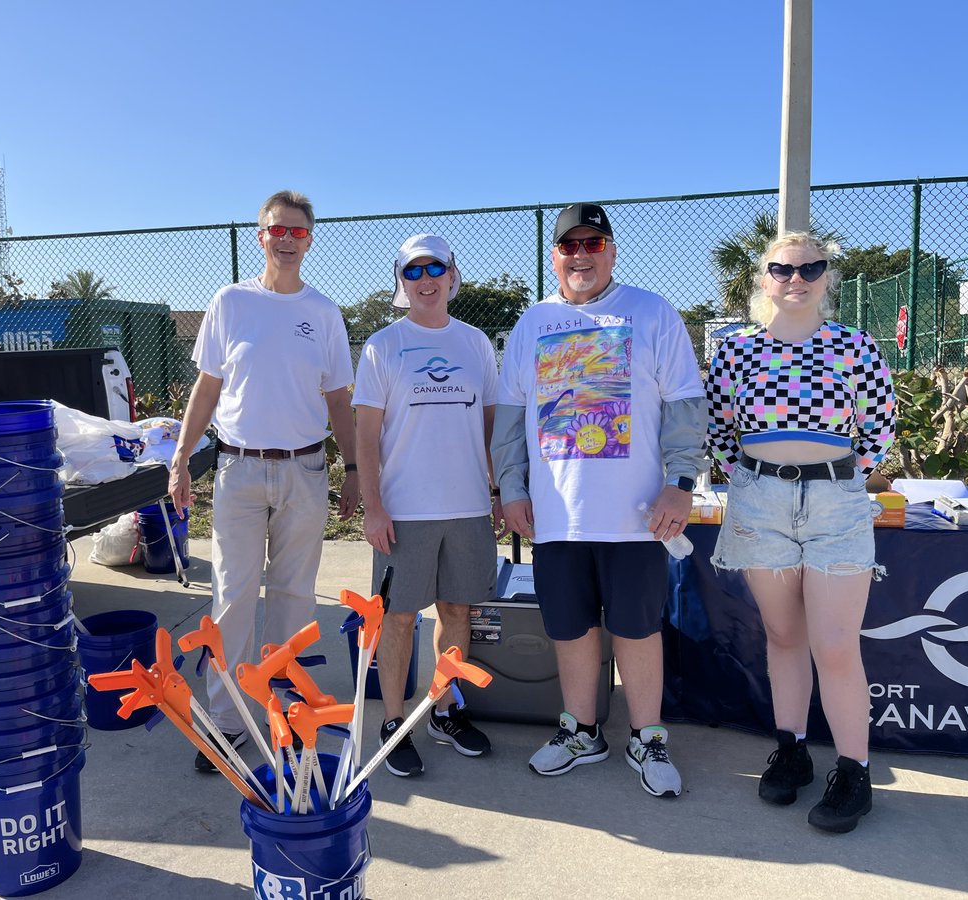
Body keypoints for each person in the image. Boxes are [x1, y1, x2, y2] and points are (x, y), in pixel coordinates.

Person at [492, 203, 707, 798]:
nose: (581, 255)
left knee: (638, 628)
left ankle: (647, 736)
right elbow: (510, 418)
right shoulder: (532, 323)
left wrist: (680, 483)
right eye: (570, 245)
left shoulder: (651, 312)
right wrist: (511, 489)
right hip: (558, 516)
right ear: (555, 255)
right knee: (571, 628)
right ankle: (582, 731)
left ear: (611, 251)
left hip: (637, 516)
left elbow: (686, 404)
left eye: (594, 243)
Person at [705, 231, 895, 833]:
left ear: (826, 278)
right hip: (759, 502)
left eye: (811, 268)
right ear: (763, 278)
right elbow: (717, 426)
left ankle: (854, 770)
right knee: (784, 636)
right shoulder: (735, 352)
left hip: (837, 504)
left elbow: (880, 424)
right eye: (783, 268)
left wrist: (837, 480)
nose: (797, 278)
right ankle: (791, 749)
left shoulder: (855, 347)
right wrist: (759, 482)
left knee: (836, 646)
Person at [168, 190, 359, 771]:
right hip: (239, 470)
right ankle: (228, 723)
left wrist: (352, 470)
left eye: (297, 232)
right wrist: (180, 458)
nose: (286, 239)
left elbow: (339, 399)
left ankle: (288, 709)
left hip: (305, 470)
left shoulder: (323, 312)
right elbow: (208, 387)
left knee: (294, 598)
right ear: (261, 236)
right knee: (232, 597)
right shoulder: (230, 303)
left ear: (309, 239)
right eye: (277, 230)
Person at [352, 234, 503, 777]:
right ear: (402, 281)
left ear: (452, 274)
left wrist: (502, 491)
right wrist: (373, 507)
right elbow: (364, 436)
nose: (425, 279)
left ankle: (445, 708)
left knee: (458, 611)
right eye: (413, 271)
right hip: (404, 512)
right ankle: (395, 722)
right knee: (397, 619)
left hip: (467, 508)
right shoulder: (382, 346)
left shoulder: (476, 344)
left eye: (435, 268)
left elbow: (491, 427)